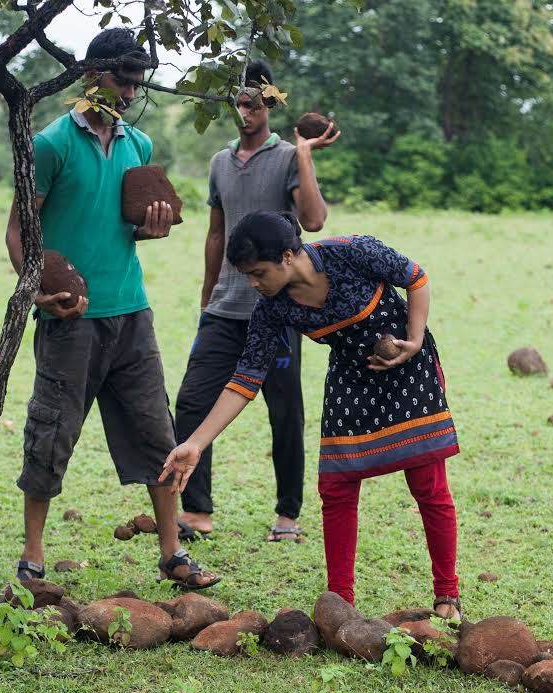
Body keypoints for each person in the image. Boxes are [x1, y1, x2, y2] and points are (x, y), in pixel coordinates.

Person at [159, 212, 461, 620]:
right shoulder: (272, 307)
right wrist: (196, 442)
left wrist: (415, 337)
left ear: (287, 256)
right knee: (336, 487)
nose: (253, 283)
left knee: (427, 482)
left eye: (258, 272)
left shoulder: (352, 252)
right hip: (351, 376)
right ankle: (340, 602)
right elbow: (247, 378)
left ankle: (447, 595)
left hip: (408, 365)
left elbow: (417, 277)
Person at [8, 26, 218, 590]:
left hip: (132, 314)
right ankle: (32, 559)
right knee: (51, 433)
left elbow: (134, 226)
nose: (129, 92)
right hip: (70, 318)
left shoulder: (138, 145)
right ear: (89, 75)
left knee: (157, 431)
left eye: (136, 81)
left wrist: (155, 230)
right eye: (121, 79)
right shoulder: (50, 144)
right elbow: (17, 229)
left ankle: (172, 554)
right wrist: (35, 290)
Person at [170, 61, 338, 544]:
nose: (244, 110)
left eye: (252, 101)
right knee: (193, 401)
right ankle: (197, 510)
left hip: (279, 308)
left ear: (270, 102)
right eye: (237, 102)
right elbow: (216, 232)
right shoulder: (220, 162)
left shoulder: (286, 157)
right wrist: (207, 294)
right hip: (225, 307)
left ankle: (288, 514)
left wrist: (304, 155)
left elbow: (315, 220)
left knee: (283, 409)